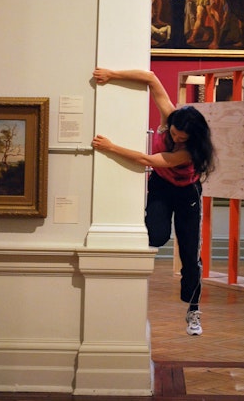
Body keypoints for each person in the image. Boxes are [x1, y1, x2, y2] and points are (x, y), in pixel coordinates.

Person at [92, 68, 215, 336]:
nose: (178, 138)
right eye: (176, 132)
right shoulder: (169, 116)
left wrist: (111, 147)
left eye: (184, 137)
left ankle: (193, 310)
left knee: (189, 255)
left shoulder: (188, 152)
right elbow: (150, 78)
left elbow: (148, 161)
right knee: (157, 238)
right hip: (161, 187)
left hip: (187, 195)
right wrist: (112, 75)